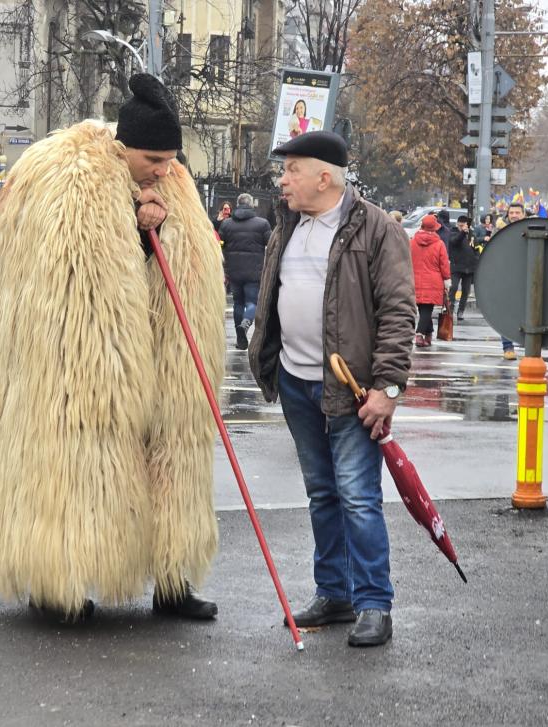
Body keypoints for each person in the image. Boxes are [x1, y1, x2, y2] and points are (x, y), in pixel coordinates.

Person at [0, 73, 225, 624]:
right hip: (75, 363)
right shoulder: (68, 179)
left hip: (161, 356)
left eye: (169, 158)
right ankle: (57, 583)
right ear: (124, 147)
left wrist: (157, 224)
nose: (164, 169)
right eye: (154, 158)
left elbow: (183, 265)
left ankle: (173, 581)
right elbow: (70, 273)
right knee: (74, 467)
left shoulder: (173, 184)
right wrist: (135, 228)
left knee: (171, 464)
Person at [247, 131, 415, 647]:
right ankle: (334, 592)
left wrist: (386, 386)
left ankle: (373, 603)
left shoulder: (376, 228)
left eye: (292, 170)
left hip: (352, 389)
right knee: (322, 493)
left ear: (325, 176)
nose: (283, 180)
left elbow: (398, 311)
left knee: (358, 497)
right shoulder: (288, 226)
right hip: (298, 383)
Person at [218, 193, 271, 350]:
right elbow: (271, 243)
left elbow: (219, 244)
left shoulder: (226, 225)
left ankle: (240, 339)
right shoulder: (262, 224)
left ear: (238, 204)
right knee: (252, 302)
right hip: (255, 271)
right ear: (251, 205)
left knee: (238, 303)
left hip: (233, 271)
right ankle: (245, 324)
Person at [412, 214, 451, 346]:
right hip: (433, 281)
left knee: (423, 308)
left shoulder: (412, 242)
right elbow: (444, 264)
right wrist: (447, 280)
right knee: (427, 309)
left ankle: (428, 335)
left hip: (414, 279)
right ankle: (419, 334)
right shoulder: (439, 244)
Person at [499, 201, 528, 359]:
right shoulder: (501, 232)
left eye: (517, 212)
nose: (514, 215)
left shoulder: (532, 228)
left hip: (528, 279)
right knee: (506, 314)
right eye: (511, 213)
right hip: (507, 279)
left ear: (523, 214)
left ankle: (531, 349)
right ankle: (507, 347)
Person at [448, 215, 478, 321]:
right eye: (460, 225)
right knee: (454, 288)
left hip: (469, 267)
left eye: (463, 225)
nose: (462, 227)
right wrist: (462, 232)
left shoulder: (471, 234)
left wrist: (476, 259)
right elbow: (455, 241)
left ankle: (461, 311)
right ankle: (450, 309)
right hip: (456, 266)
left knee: (466, 291)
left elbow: (475, 248)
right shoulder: (453, 232)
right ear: (457, 224)